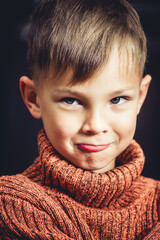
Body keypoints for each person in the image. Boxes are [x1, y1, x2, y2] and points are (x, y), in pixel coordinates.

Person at [0, 0, 160, 239]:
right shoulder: (14, 204)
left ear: (140, 96)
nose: (95, 126)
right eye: (71, 101)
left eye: (117, 100)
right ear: (34, 98)